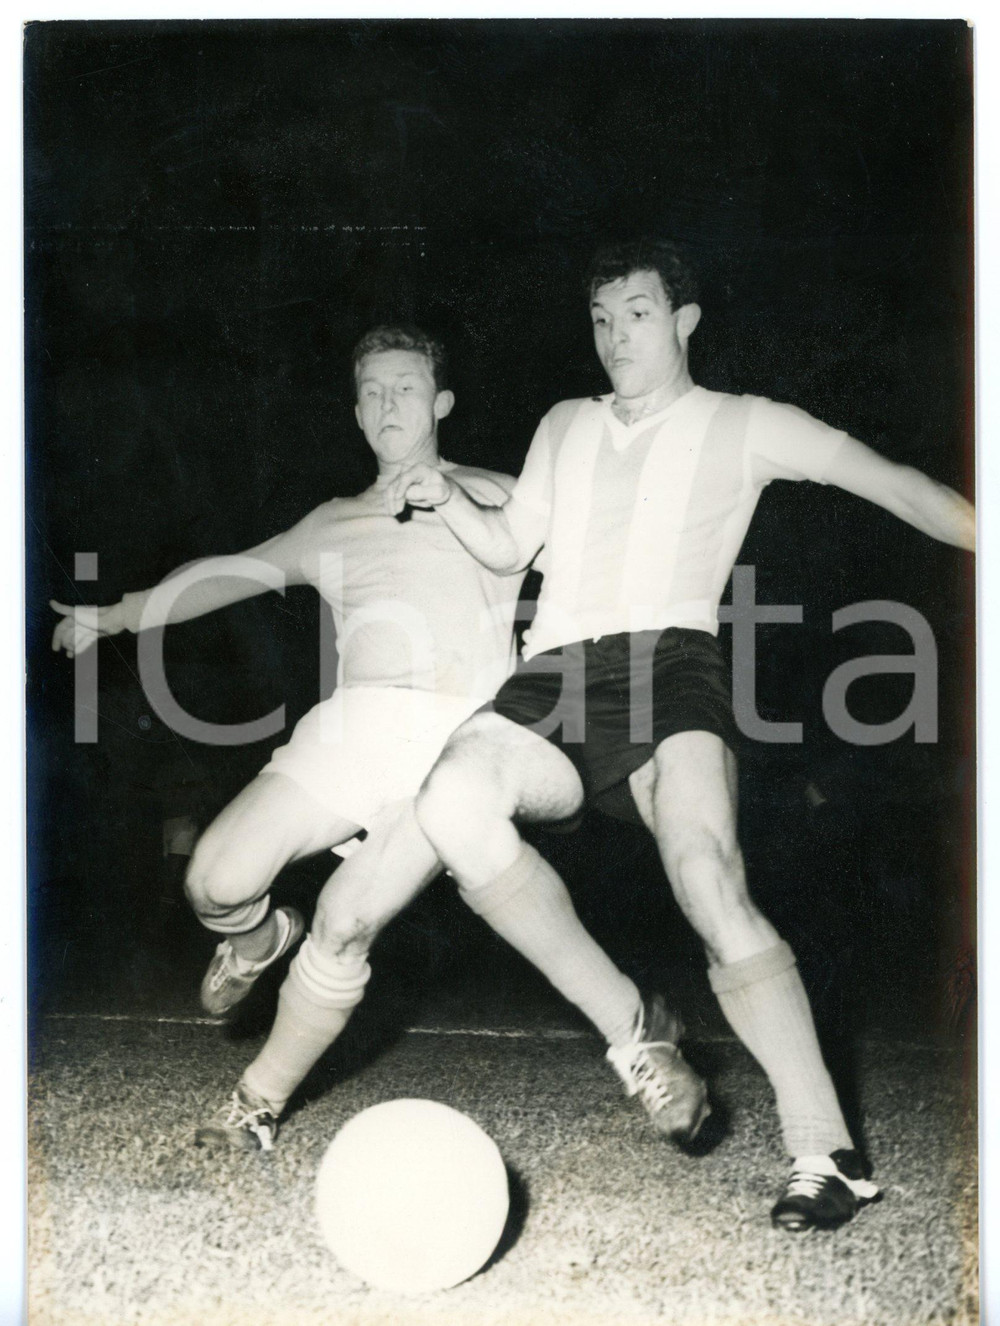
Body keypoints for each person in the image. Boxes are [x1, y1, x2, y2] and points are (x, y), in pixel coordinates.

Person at [389, 239, 975, 1232]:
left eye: (637, 313)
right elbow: (507, 542)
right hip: (559, 672)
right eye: (601, 318)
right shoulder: (564, 423)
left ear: (685, 321)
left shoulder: (744, 425)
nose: (616, 336)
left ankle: (823, 1156)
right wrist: (450, 500)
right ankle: (635, 1034)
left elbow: (895, 484)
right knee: (449, 799)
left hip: (671, 666)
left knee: (706, 876)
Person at [50, 323, 687, 1155]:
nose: (391, 403)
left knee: (347, 920)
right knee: (212, 880)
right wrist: (114, 614)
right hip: (350, 732)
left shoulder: (503, 499)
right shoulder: (332, 523)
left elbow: (620, 551)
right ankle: (256, 937)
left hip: (461, 740)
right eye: (374, 392)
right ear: (356, 414)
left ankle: (257, 1105)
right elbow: (226, 575)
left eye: (408, 387)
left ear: (442, 403)